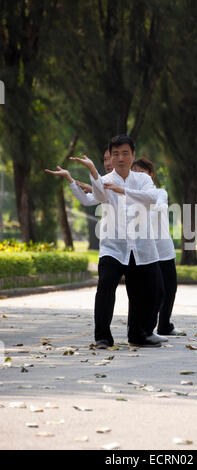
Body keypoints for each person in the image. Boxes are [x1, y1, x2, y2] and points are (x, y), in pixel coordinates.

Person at [45, 134, 162, 349]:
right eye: (115, 154)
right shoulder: (106, 180)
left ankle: (137, 335)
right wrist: (85, 174)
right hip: (113, 247)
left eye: (125, 153)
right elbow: (93, 198)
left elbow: (152, 198)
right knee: (105, 289)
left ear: (133, 155)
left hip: (141, 247)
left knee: (140, 294)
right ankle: (102, 337)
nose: (120, 158)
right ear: (111, 156)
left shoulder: (143, 180)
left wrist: (124, 191)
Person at [131, 158, 183, 336]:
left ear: (151, 174)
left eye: (142, 172)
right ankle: (148, 328)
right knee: (153, 292)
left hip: (164, 250)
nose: (139, 176)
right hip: (146, 251)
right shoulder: (131, 196)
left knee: (170, 289)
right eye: (135, 173)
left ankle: (165, 325)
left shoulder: (160, 192)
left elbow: (160, 208)